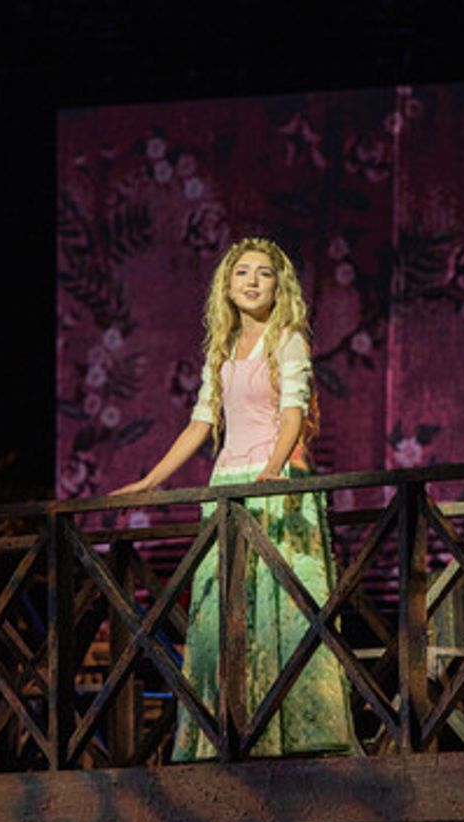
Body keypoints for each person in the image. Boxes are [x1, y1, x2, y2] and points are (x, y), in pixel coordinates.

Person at [111, 236, 357, 760]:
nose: (251, 280)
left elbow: (292, 412)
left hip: (273, 486)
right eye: (241, 271)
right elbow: (202, 422)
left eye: (263, 272)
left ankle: (296, 737)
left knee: (283, 611)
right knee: (223, 610)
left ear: (279, 285)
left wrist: (272, 472)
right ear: (226, 285)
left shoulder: (285, 338)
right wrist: (151, 479)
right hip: (227, 486)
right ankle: (223, 733)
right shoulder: (220, 349)